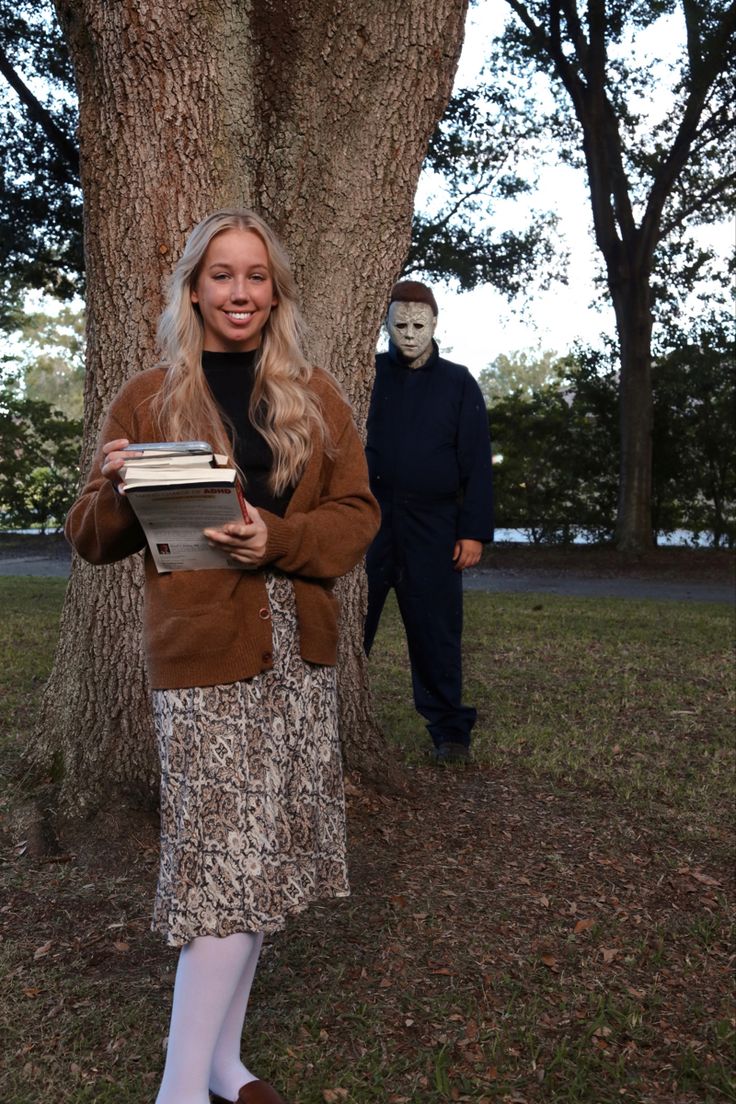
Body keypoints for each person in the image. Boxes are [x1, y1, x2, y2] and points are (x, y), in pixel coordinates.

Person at [65, 209, 380, 1104]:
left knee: (263, 861)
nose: (239, 292)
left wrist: (274, 537)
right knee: (223, 872)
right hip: (205, 658)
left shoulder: (315, 394)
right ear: (193, 288)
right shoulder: (149, 397)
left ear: (274, 289)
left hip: (299, 655)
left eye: (255, 276)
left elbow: (358, 515)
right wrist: (117, 487)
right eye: (221, 275)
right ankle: (177, 1090)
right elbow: (90, 540)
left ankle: (222, 1065)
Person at [364, 280, 493, 764]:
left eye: (420, 325)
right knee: (355, 620)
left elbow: (477, 462)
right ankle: (329, 714)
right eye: (400, 325)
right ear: (385, 324)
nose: (410, 334)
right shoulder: (368, 373)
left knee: (436, 627)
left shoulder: (458, 383)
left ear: (436, 324)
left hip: (434, 525)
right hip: (372, 518)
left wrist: (472, 531)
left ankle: (449, 731)